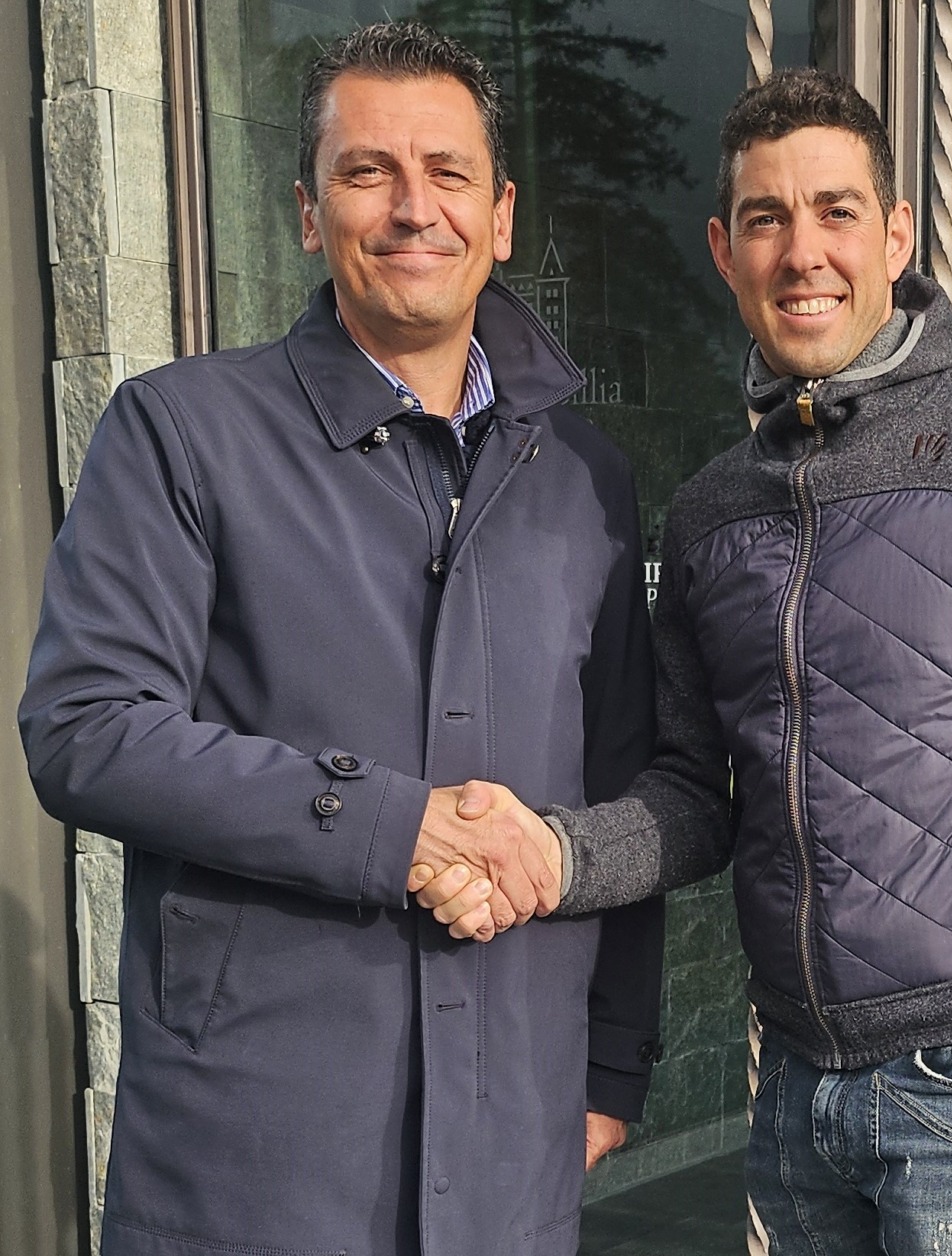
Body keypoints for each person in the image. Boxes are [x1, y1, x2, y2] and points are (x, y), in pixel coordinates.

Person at [416, 69, 952, 1254]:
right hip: (797, 1091)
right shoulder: (710, 511)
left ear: (893, 234)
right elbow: (695, 792)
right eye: (765, 218)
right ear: (724, 250)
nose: (801, 251)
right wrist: (551, 852)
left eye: (834, 211)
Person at [18, 21, 664, 1256]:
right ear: (309, 213)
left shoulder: (586, 477)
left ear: (501, 216)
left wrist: (612, 1061)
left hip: (511, 1136)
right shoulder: (181, 432)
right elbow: (85, 728)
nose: (413, 207)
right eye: (368, 171)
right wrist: (390, 825)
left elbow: (623, 779)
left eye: (448, 172)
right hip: (258, 1144)